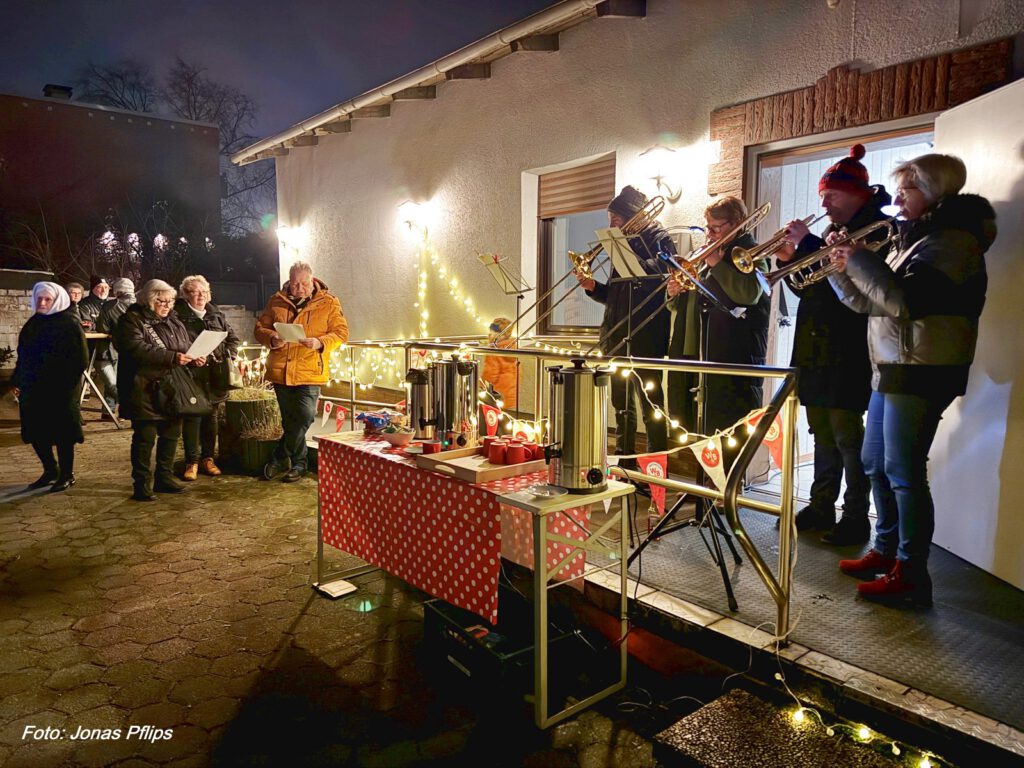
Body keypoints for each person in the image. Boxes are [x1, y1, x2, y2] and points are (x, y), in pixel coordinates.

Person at [828, 154, 994, 606]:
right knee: (874, 462)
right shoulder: (913, 240)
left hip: (922, 371)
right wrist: (839, 267)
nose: (897, 198)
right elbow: (869, 304)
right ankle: (884, 550)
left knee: (903, 472)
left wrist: (861, 259)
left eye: (907, 189)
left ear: (934, 192)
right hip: (892, 367)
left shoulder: (952, 243)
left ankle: (911, 571)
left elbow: (903, 302)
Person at [774, 145, 891, 544]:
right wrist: (789, 262)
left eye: (831, 195)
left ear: (857, 194)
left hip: (848, 349)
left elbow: (861, 291)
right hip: (816, 348)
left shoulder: (877, 229)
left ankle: (856, 514)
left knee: (847, 437)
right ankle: (821, 504)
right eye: (822, 195)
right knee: (821, 432)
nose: (823, 202)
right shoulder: (830, 234)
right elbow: (811, 291)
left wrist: (808, 247)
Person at [666, 196, 770, 468]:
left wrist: (715, 263)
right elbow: (692, 301)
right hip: (700, 350)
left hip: (733, 355)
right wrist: (675, 293)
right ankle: (704, 486)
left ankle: (724, 490)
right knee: (694, 420)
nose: (709, 233)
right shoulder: (711, 254)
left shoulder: (751, 252)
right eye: (707, 227)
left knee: (727, 424)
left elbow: (749, 293)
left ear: (736, 224)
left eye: (715, 227)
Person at [574, 185, 673, 459]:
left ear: (633, 215)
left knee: (651, 404)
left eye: (615, 219)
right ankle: (624, 459)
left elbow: (664, 272)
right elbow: (616, 296)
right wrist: (592, 286)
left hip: (646, 334)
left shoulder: (659, 238)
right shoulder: (622, 244)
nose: (611, 225)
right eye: (610, 220)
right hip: (616, 334)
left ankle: (656, 464)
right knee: (621, 403)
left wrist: (632, 252)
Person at [254, 261, 349, 482]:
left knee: (305, 415)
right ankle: (299, 463)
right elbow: (260, 328)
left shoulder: (328, 302)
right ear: (289, 281)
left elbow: (341, 332)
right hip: (281, 370)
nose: (299, 288)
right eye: (295, 284)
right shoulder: (276, 300)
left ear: (313, 280)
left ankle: (281, 457)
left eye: (304, 283)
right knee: (289, 420)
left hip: (310, 369)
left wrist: (320, 342)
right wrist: (272, 338)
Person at [115, 279, 206, 501]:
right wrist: (173, 357)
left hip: (170, 387)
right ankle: (141, 484)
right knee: (145, 437)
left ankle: (163, 478)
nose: (167, 306)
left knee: (171, 433)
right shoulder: (131, 320)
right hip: (143, 388)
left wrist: (193, 357)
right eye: (161, 301)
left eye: (170, 301)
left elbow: (183, 345)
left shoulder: (173, 320)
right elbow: (136, 348)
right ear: (148, 300)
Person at [12, 283, 88, 492]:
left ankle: (66, 474)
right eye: (39, 299)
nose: (42, 303)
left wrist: (65, 385)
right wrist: (17, 380)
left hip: (60, 389)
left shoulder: (69, 323)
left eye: (47, 299)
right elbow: (24, 355)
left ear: (57, 300)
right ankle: (50, 470)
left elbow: (80, 359)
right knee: (36, 431)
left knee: (64, 434)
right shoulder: (33, 323)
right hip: (34, 388)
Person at [175, 275, 240, 480]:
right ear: (186, 295)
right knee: (192, 417)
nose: (201, 296)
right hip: (190, 374)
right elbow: (174, 342)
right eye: (196, 292)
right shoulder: (177, 316)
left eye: (205, 292)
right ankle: (191, 461)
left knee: (211, 418)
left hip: (214, 374)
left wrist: (224, 355)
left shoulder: (216, 314)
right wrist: (191, 357)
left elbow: (232, 338)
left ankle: (208, 458)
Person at [94, 278, 136, 421]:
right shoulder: (141, 305)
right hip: (135, 349)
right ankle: (109, 409)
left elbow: (103, 328)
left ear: (117, 291)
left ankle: (129, 408)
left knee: (113, 380)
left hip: (113, 347)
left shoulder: (110, 306)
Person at [482, 317, 518, 411]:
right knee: (505, 416)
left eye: (492, 332)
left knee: (493, 416)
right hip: (509, 390)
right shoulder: (512, 348)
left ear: (500, 335)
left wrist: (482, 384)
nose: (489, 334)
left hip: (496, 390)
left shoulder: (494, 351)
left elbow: (490, 372)